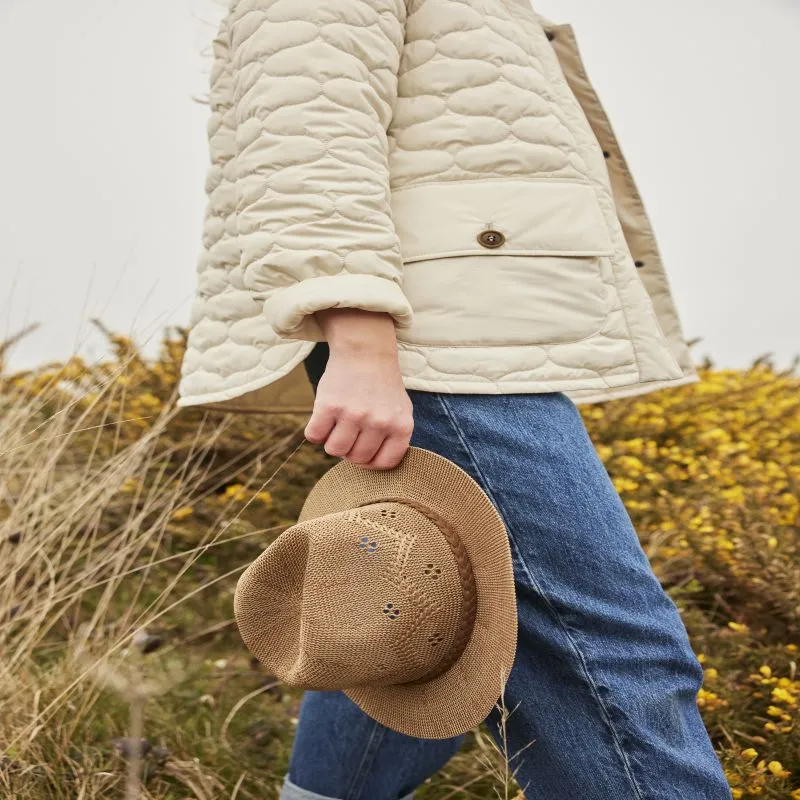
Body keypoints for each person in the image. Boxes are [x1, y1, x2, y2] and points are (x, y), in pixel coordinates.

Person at [178, 2, 733, 798]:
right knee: (610, 657)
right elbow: (304, 118)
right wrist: (358, 333)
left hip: (453, 335)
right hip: (429, 342)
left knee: (413, 612)